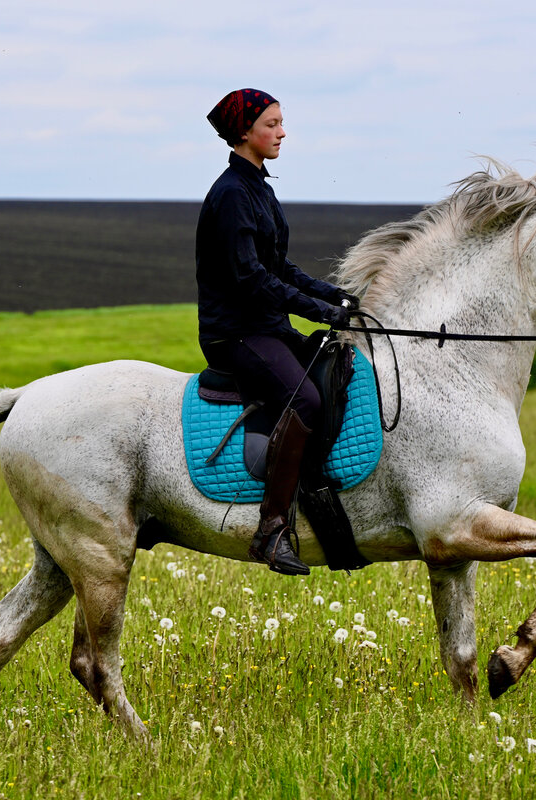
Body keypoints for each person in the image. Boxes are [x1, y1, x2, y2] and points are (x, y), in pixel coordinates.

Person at [196, 88, 357, 575]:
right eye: (272, 124)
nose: (282, 132)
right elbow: (251, 279)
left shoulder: (259, 187)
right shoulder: (230, 195)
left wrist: (337, 295)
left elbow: (280, 266)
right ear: (244, 132)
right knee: (305, 400)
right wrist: (315, 310)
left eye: (282, 122)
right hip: (237, 333)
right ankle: (269, 530)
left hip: (265, 326)